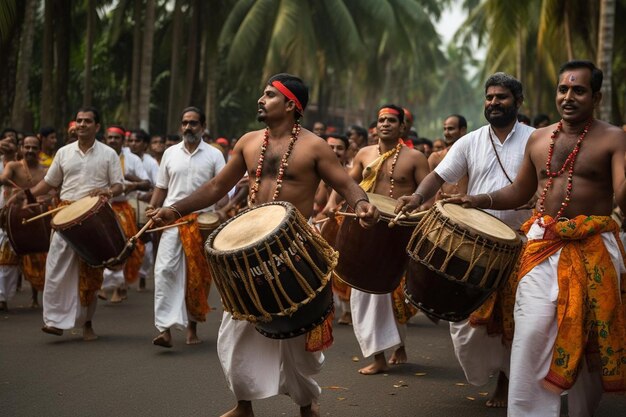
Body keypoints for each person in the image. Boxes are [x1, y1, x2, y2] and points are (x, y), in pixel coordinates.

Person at [148, 73, 378, 417]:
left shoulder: (314, 146)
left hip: (294, 248)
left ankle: (305, 405)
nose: (261, 99)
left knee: (296, 337)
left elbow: (347, 184)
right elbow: (215, 187)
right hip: (250, 248)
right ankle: (244, 405)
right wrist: (173, 209)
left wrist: (361, 204)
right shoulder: (248, 142)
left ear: (290, 104)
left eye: (269, 95)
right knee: (237, 330)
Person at [420, 61, 626, 416]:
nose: (569, 97)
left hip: (593, 248)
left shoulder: (613, 138)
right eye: (563, 89)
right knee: (529, 334)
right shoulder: (540, 138)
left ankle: (582, 410)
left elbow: (621, 191)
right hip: (542, 246)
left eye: (579, 90)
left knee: (587, 336)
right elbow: (520, 191)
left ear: (597, 96)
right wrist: (478, 199)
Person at [397, 73, 535, 408]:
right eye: (489, 97)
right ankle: (494, 373)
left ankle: (506, 382)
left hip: (524, 241)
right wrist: (415, 199)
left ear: (518, 102)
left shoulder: (535, 140)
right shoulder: (471, 141)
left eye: (501, 97)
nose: (493, 103)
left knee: (513, 319)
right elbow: (438, 176)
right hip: (476, 244)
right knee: (465, 324)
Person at [326, 104, 429, 375]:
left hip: (397, 231)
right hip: (365, 228)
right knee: (363, 292)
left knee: (392, 292)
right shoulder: (364, 154)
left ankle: (398, 346)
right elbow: (345, 184)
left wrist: (416, 215)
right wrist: (330, 204)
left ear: (402, 127)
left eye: (391, 121)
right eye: (381, 120)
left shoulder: (415, 158)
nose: (385, 124)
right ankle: (379, 356)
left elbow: (428, 196)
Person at [29, 107, 124, 340]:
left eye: (87, 121)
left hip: (95, 217)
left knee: (91, 272)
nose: (81, 125)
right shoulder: (63, 152)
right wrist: (27, 196)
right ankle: (55, 321)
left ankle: (87, 324)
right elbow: (50, 182)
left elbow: (119, 185)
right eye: (79, 121)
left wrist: (107, 191)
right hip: (64, 215)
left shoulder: (109, 154)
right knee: (56, 269)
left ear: (97, 126)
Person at [148, 106, 225, 348]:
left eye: (193, 123)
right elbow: (161, 187)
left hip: (203, 223)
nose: (188, 127)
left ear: (202, 127)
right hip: (173, 221)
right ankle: (165, 329)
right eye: (184, 123)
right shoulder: (170, 153)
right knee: (164, 271)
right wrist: (152, 210)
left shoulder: (214, 155)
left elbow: (222, 189)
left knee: (197, 276)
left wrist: (223, 209)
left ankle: (192, 327)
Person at [0, 135, 52, 309]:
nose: (30, 151)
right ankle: (2, 299)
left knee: (37, 258)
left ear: (39, 150)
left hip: (36, 219)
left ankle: (35, 297)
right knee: (6, 259)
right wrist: (16, 191)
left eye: (34, 148)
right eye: (26, 147)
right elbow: (3, 177)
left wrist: (44, 198)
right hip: (12, 217)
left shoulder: (46, 171)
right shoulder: (13, 166)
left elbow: (54, 191)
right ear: (21, 149)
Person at [101, 125, 150, 302]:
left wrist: (132, 184)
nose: (113, 140)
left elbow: (147, 183)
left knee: (125, 247)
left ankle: (118, 286)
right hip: (102, 208)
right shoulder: (100, 155)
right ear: (106, 139)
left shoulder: (133, 159)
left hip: (124, 207)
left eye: (117, 138)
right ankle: (106, 284)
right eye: (110, 137)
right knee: (103, 246)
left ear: (123, 141)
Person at [127, 129, 160, 291]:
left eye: (137, 141)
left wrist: (149, 198)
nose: (133, 144)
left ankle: (142, 274)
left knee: (145, 241)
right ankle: (121, 282)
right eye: (131, 141)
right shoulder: (122, 158)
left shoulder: (151, 163)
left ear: (145, 145)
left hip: (144, 205)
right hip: (124, 205)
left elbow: (159, 187)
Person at [423, 114, 469, 207]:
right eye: (445, 129)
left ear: (463, 130)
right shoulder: (435, 157)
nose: (446, 133)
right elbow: (429, 189)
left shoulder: (472, 155)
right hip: (441, 209)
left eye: (451, 129)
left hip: (467, 209)